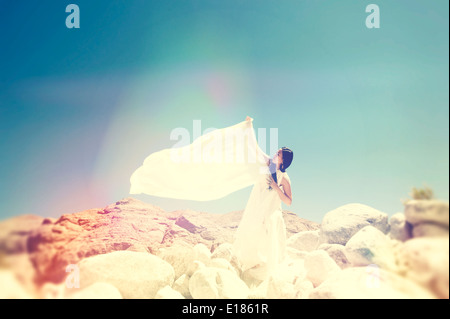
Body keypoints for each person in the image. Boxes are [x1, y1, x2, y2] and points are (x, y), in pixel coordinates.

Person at [232, 119, 294, 279]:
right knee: (251, 234)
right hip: (256, 207)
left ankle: (269, 276)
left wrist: (275, 186)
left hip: (271, 212)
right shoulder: (268, 163)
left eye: (279, 153)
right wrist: (249, 127)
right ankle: (249, 268)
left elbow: (288, 201)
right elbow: (255, 148)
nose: (276, 153)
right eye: (277, 151)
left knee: (270, 242)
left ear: (283, 160)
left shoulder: (284, 177)